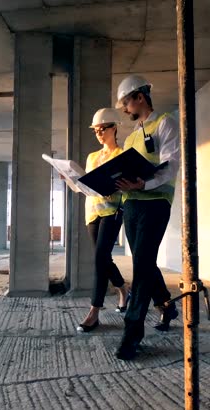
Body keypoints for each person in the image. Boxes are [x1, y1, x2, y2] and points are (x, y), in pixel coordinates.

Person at [113, 75, 180, 360]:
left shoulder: (164, 122)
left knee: (140, 266)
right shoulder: (130, 137)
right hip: (131, 205)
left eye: (126, 103)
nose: (125, 109)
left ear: (139, 97)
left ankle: (132, 332)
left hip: (154, 203)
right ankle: (167, 304)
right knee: (145, 261)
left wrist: (144, 185)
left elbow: (171, 164)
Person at [77, 108, 130, 333]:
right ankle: (123, 288)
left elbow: (125, 185)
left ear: (114, 128)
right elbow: (89, 185)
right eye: (96, 130)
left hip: (112, 211)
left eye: (103, 128)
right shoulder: (91, 157)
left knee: (100, 258)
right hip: (93, 212)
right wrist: (74, 180)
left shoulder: (123, 154)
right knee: (103, 258)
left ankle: (94, 311)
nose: (99, 133)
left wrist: (111, 188)